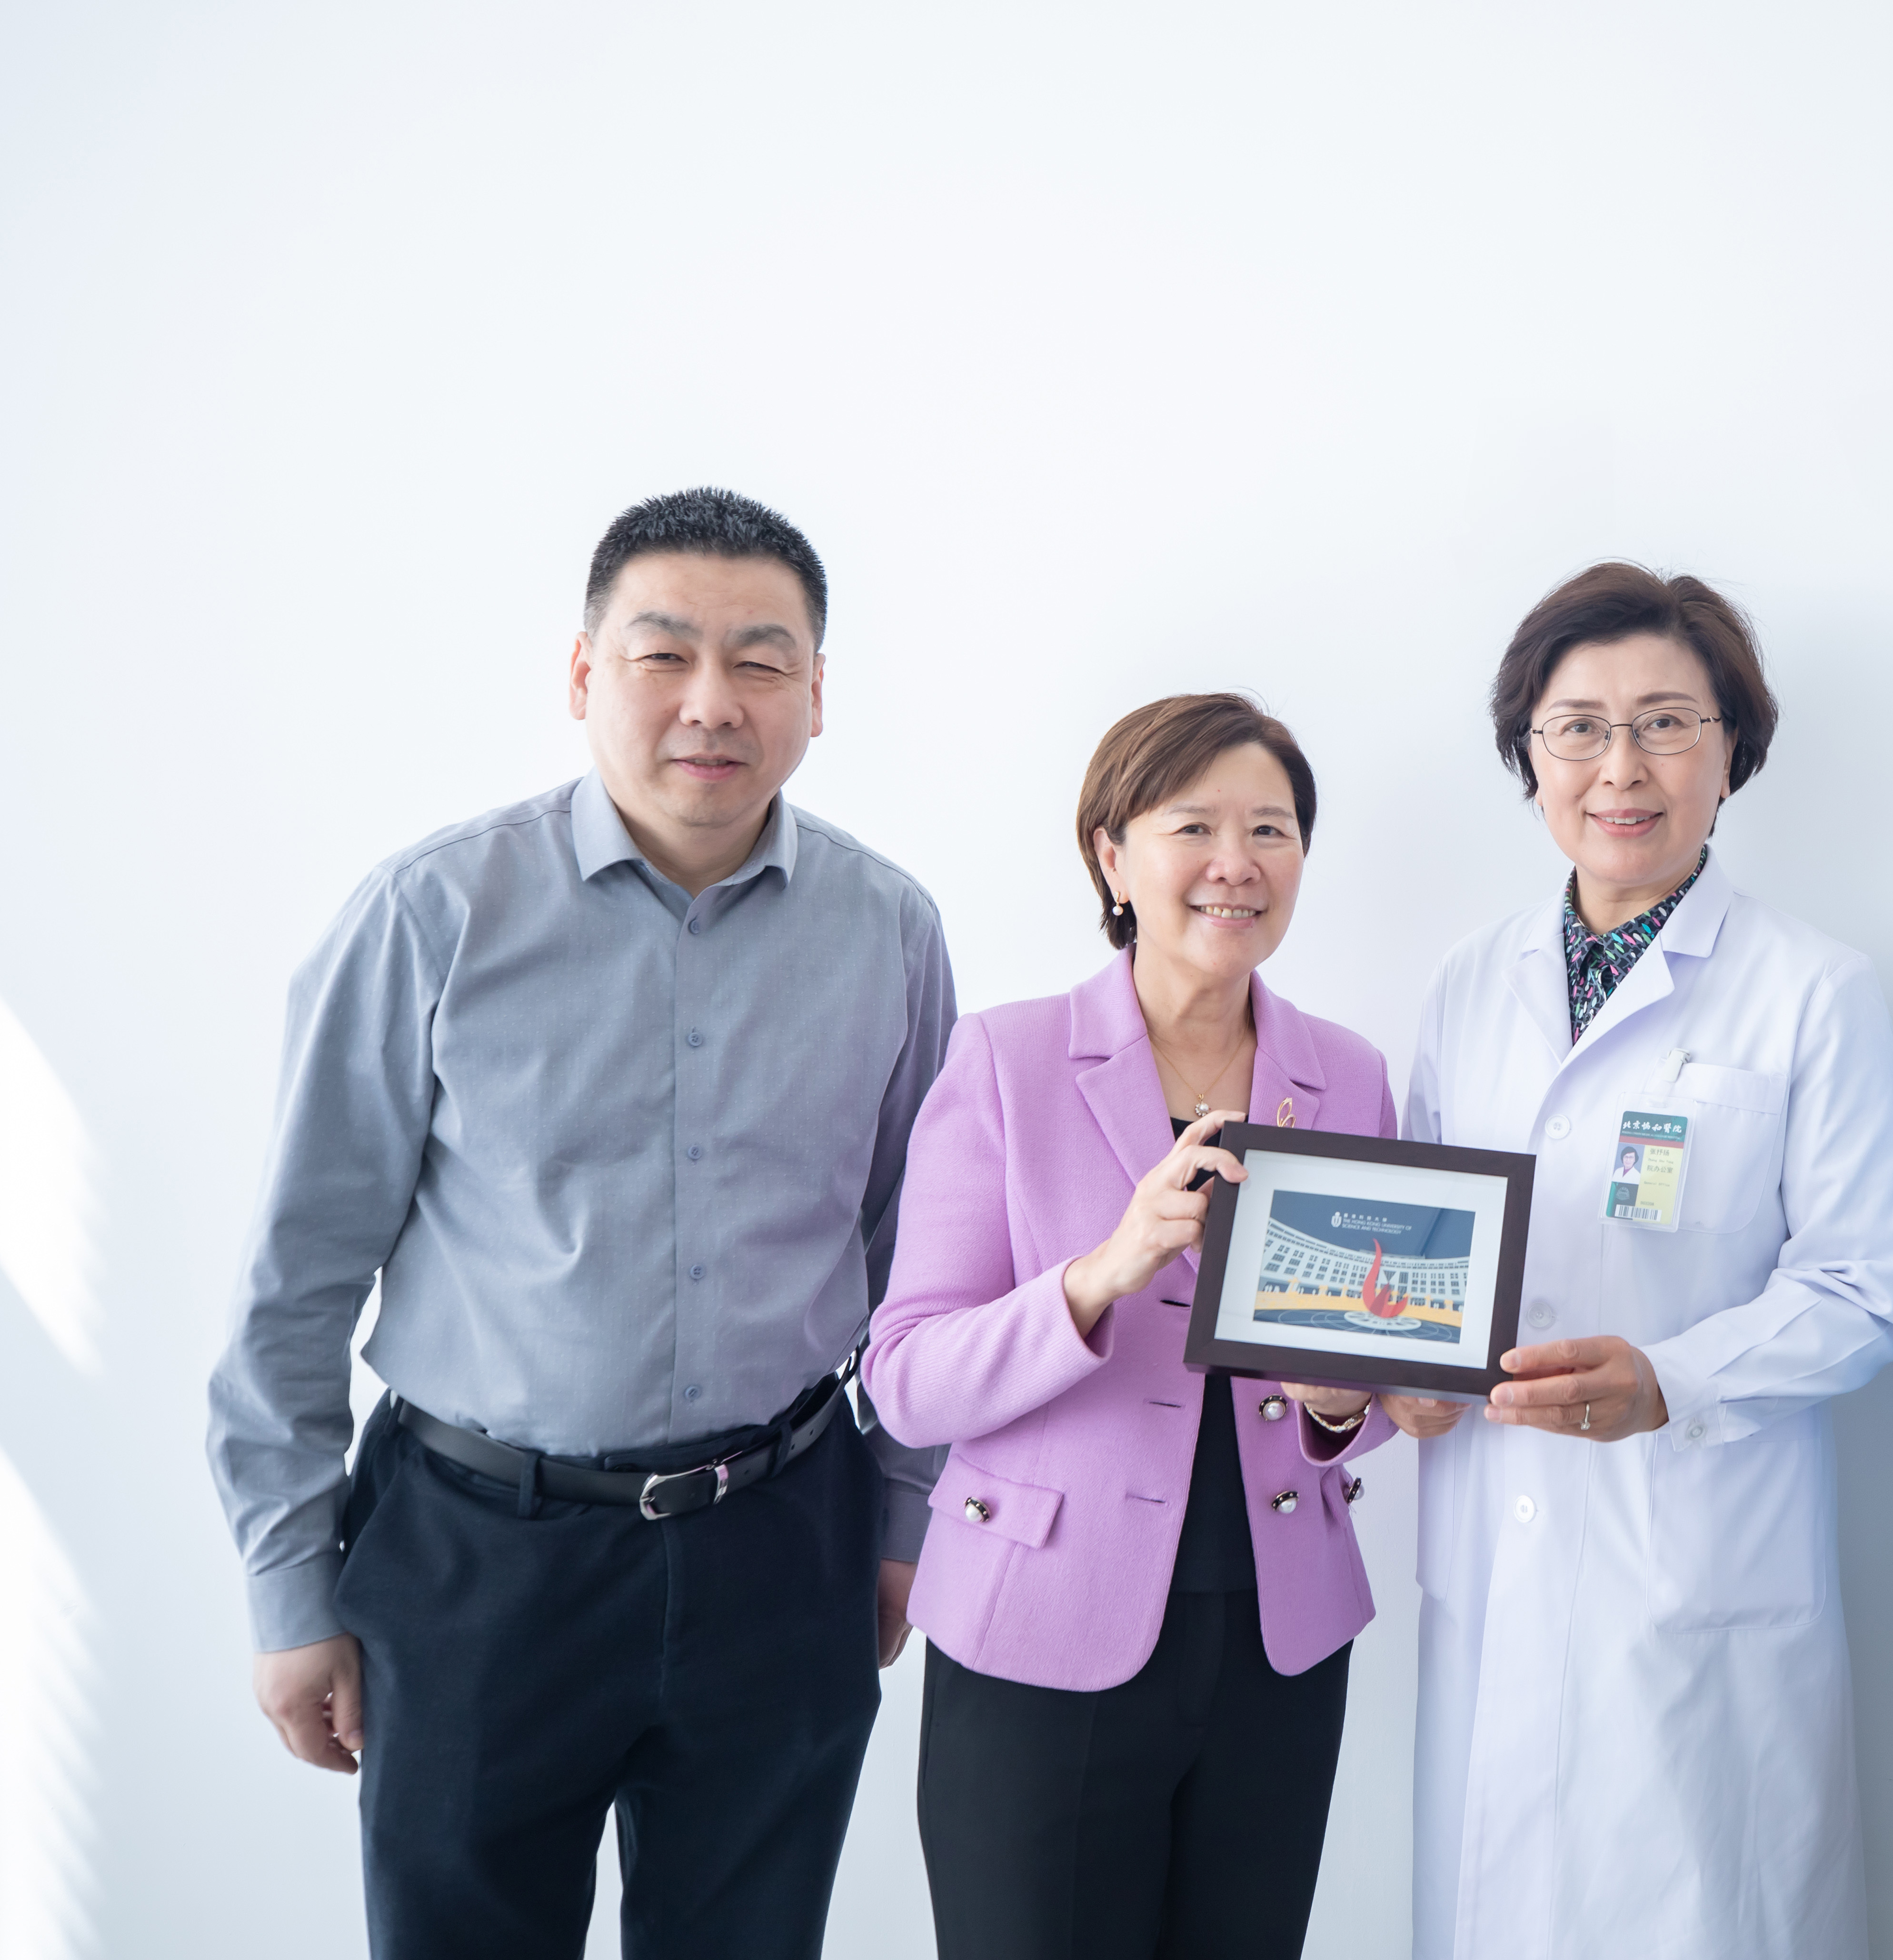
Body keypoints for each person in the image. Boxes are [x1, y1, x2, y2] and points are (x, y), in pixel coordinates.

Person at [205, 488, 957, 1958]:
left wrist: (902, 1517)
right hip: (478, 1561)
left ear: (818, 695)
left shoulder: (890, 930)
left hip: (784, 1540)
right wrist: (287, 1581)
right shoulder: (435, 912)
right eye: (661, 653)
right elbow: (295, 1277)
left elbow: (912, 1253)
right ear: (580, 676)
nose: (709, 703)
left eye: (761, 660)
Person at [1388, 564, 1893, 1958]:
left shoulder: (1813, 990)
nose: (1620, 767)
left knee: (1697, 1908)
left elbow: (1869, 1284)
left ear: (1733, 751)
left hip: (1695, 1567)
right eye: (1578, 728)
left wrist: (1670, 1378)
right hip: (1495, 1548)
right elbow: (1419, 1250)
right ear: (1530, 757)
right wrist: (1397, 1370)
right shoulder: (1464, 983)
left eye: (1668, 723)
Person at [865, 694, 1396, 1960]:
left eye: (1272, 827)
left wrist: (1341, 1401)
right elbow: (907, 1380)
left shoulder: (1351, 1075)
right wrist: (1101, 1272)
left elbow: (1368, 1383)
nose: (1238, 861)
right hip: (1040, 1629)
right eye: (1194, 824)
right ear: (1113, 854)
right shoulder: (1007, 1057)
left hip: (1280, 1640)